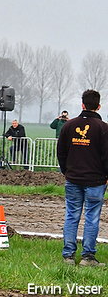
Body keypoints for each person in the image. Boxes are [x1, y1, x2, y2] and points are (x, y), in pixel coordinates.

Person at [57, 89, 108, 267]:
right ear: (99, 106)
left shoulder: (69, 126)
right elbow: (107, 156)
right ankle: (88, 258)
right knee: (92, 217)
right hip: (96, 181)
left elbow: (61, 152)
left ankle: (68, 256)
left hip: (73, 179)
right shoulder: (104, 128)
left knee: (71, 216)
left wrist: (67, 171)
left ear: (82, 104)